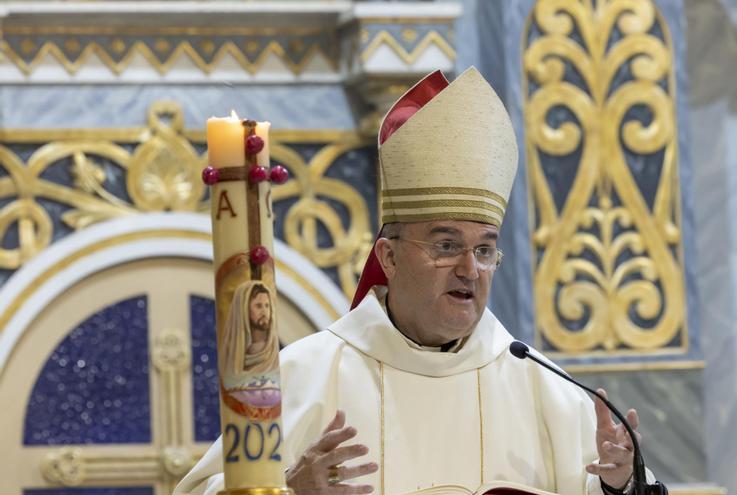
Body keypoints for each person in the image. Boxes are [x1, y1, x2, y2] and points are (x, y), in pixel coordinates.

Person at [175, 67, 651, 495]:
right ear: (390, 257)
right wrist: (293, 493)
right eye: (446, 246)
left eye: (484, 249)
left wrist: (621, 486)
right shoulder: (308, 374)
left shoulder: (542, 386)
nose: (470, 268)